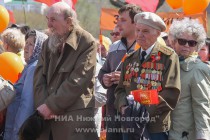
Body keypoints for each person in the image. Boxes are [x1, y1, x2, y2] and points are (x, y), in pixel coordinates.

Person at [33, 2, 98, 140]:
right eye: (48, 19)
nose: (49, 25)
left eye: (53, 20)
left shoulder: (87, 42)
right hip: (46, 119)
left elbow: (78, 80)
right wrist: (43, 107)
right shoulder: (48, 43)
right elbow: (39, 78)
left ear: (69, 21)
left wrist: (50, 106)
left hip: (72, 121)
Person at [114, 12, 181, 140]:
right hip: (130, 124)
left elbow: (171, 93)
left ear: (157, 34)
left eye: (145, 31)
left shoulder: (168, 57)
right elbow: (120, 90)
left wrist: (143, 112)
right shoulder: (129, 59)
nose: (139, 34)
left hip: (155, 126)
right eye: (137, 30)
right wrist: (124, 107)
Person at [98, 4, 142, 140]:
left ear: (136, 23)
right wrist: (104, 78)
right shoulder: (114, 46)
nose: (118, 23)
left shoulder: (145, 47)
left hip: (135, 116)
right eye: (118, 19)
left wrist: (126, 80)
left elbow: (151, 80)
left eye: (123, 20)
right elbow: (103, 71)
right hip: (113, 115)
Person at [168, 18, 210, 140]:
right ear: (174, 41)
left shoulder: (198, 69)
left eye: (192, 43)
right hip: (166, 131)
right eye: (182, 41)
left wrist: (203, 135)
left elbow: (202, 104)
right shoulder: (168, 64)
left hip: (184, 135)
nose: (186, 45)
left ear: (197, 46)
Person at [3, 30, 48, 140]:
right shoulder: (30, 66)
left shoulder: (33, 68)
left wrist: (19, 134)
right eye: (26, 43)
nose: (26, 47)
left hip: (17, 131)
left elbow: (26, 104)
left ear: (39, 47)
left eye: (31, 44)